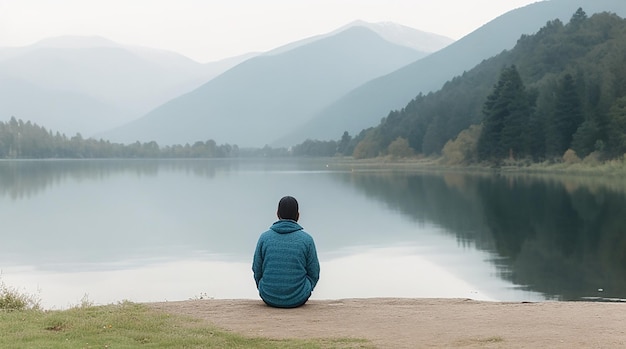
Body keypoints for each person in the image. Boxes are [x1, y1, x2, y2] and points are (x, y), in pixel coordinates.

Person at [252, 196, 320, 308]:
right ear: (298, 216)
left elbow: (256, 269)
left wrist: (263, 287)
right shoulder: (307, 240)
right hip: (299, 297)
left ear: (277, 214)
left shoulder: (264, 238)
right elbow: (314, 272)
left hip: (268, 296)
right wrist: (306, 289)